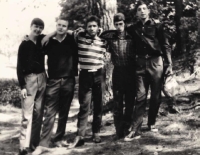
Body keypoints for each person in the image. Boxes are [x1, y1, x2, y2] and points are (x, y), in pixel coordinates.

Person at [124, 1, 173, 141]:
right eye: (139, 9)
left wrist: (169, 63)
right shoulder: (132, 28)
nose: (142, 11)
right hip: (140, 64)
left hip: (156, 63)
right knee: (140, 96)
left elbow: (165, 45)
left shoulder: (158, 25)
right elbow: (119, 34)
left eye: (144, 9)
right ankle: (135, 129)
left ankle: (151, 123)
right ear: (136, 13)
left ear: (148, 11)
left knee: (156, 97)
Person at [32, 17, 78, 155]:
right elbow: (38, 40)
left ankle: (58, 138)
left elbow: (80, 34)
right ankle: (43, 143)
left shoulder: (72, 40)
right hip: (53, 81)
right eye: (59, 25)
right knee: (50, 113)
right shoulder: (49, 42)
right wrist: (53, 33)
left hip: (69, 80)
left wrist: (69, 32)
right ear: (55, 26)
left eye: (64, 26)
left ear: (67, 27)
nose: (61, 28)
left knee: (64, 112)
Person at [68, 15, 107, 149]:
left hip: (99, 74)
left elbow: (112, 35)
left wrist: (101, 32)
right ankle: (80, 135)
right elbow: (70, 32)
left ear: (98, 27)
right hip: (85, 75)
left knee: (98, 105)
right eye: (89, 26)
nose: (92, 28)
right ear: (86, 27)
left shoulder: (103, 40)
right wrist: (82, 31)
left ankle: (96, 132)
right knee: (84, 106)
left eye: (94, 26)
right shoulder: (79, 38)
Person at [100, 13, 135, 140]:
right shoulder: (110, 37)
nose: (119, 26)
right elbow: (100, 36)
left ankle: (128, 127)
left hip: (131, 72)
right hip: (118, 72)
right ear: (114, 25)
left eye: (121, 24)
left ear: (124, 23)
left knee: (130, 102)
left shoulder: (132, 36)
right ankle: (119, 131)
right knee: (118, 103)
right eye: (116, 24)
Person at [17, 18, 46, 155]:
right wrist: (22, 86)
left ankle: (34, 143)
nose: (38, 29)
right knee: (27, 115)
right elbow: (19, 67)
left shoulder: (42, 41)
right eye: (36, 26)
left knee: (38, 113)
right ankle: (23, 145)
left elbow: (55, 33)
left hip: (42, 78)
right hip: (29, 80)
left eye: (41, 27)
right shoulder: (24, 44)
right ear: (31, 26)